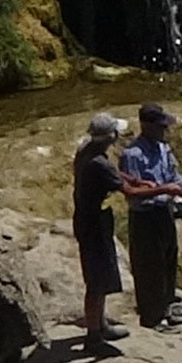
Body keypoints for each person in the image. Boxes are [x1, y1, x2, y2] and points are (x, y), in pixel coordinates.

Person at [115, 102, 182, 330]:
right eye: (160, 126)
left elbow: (175, 177)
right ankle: (152, 318)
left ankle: (167, 307)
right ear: (146, 125)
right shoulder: (133, 154)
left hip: (164, 214)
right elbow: (134, 196)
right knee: (149, 268)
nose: (164, 130)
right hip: (145, 218)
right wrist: (164, 190)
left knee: (168, 261)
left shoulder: (164, 149)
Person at [71, 112, 131, 341]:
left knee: (99, 277)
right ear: (110, 136)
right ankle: (94, 336)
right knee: (97, 281)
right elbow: (129, 191)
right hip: (94, 225)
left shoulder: (86, 151)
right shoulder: (99, 164)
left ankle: (100, 323)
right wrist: (165, 189)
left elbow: (114, 175)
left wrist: (130, 178)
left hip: (86, 220)